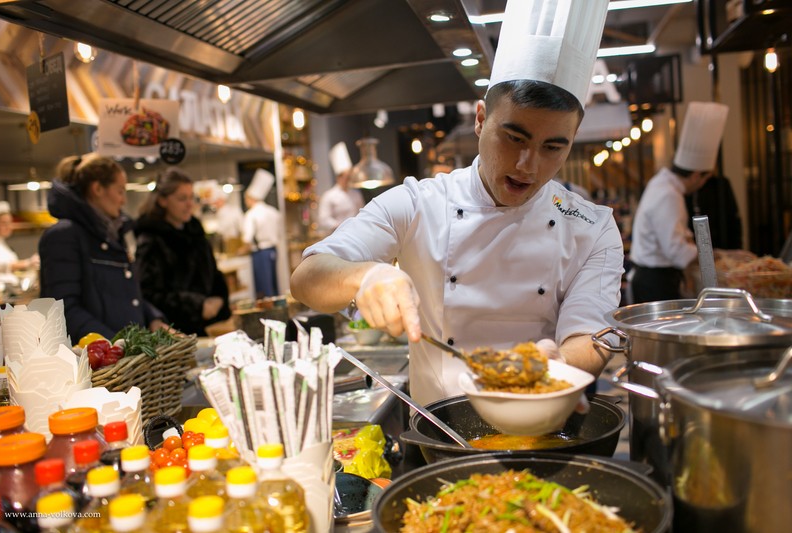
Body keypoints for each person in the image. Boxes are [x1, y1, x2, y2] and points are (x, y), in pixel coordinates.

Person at [290, 0, 621, 406]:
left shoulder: (593, 226)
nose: (527, 166)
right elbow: (307, 277)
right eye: (513, 138)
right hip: (439, 430)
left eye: (553, 147)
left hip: (546, 424)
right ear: (481, 119)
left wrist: (556, 364)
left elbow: (592, 334)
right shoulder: (417, 203)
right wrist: (365, 277)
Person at [39, 154, 167, 344]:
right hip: (97, 365)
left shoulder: (112, 233)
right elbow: (63, 309)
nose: (123, 200)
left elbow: (124, 294)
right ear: (98, 189)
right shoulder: (65, 236)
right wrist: (118, 345)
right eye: (120, 191)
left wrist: (153, 318)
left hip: (125, 363)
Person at [630, 102, 729, 303]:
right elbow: (675, 250)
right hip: (656, 280)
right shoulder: (668, 194)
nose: (700, 186)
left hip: (653, 276)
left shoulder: (662, 184)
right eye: (703, 180)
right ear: (695, 176)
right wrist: (714, 255)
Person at [134, 168, 232, 336]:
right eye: (182, 199)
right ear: (163, 201)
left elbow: (214, 274)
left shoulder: (196, 233)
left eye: (191, 198)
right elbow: (149, 295)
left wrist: (218, 298)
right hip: (174, 336)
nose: (189, 204)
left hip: (207, 329)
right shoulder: (151, 241)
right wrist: (197, 305)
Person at [241, 169, 282, 298]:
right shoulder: (273, 211)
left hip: (260, 253)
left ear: (250, 198)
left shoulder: (251, 214)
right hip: (273, 250)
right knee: (275, 285)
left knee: (265, 289)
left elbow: (247, 239)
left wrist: (240, 251)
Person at [685, 174, 742, 250]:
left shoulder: (720, 184)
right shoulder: (681, 190)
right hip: (696, 244)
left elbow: (732, 218)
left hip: (718, 240)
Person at [318, 142, 365, 235]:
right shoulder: (329, 196)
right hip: (336, 235)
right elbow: (323, 219)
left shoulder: (356, 194)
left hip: (356, 233)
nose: (348, 180)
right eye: (346, 177)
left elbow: (362, 212)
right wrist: (340, 225)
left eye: (349, 177)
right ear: (339, 177)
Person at [0, 201, 39, 285]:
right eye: (3, 223)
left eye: (10, 222)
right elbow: (0, 265)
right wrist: (28, 262)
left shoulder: (1, 242)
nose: (8, 226)